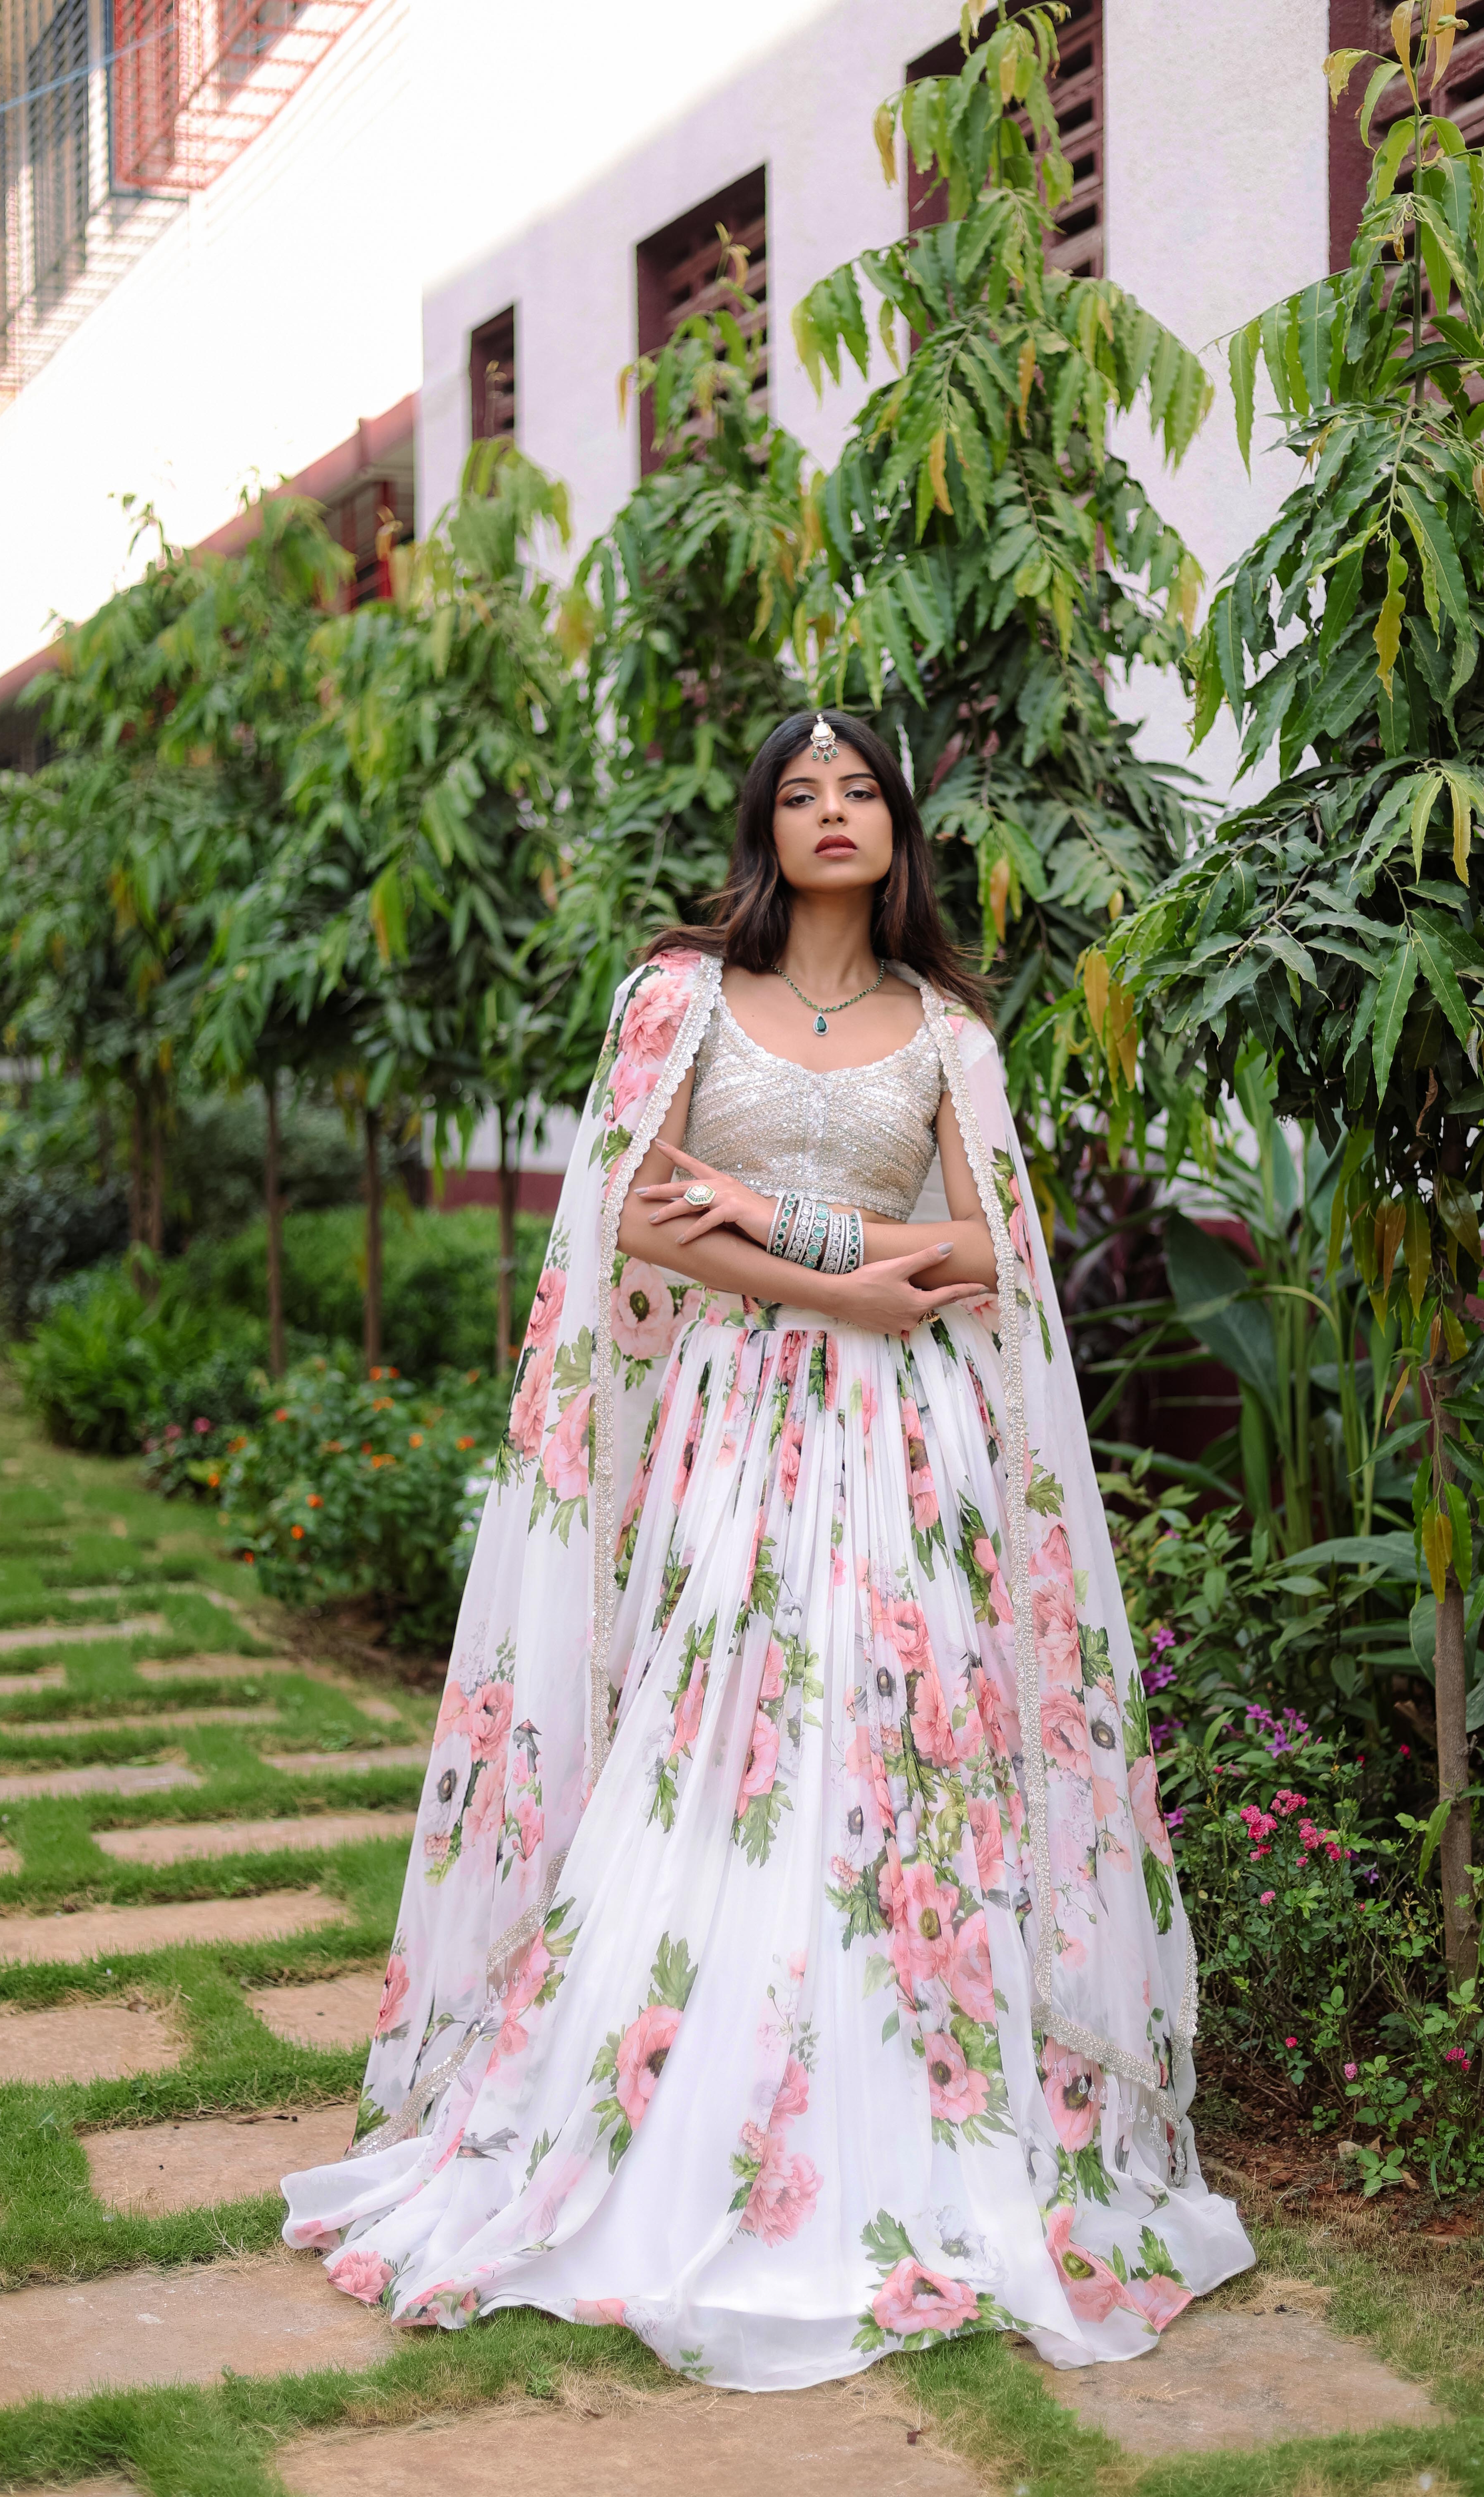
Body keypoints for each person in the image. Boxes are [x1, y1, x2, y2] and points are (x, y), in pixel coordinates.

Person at [281, 707, 1253, 2388]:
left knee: (897, 1728)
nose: (828, 814)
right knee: (723, 1725)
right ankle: (674, 2089)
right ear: (763, 826)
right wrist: (839, 1283)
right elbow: (634, 1217)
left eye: (857, 791)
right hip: (744, 1425)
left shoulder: (944, 1028)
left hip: (911, 1441)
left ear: (896, 830)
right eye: (798, 793)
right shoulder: (680, 998)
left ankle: (915, 2107)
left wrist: (790, 1225)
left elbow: (984, 1249)